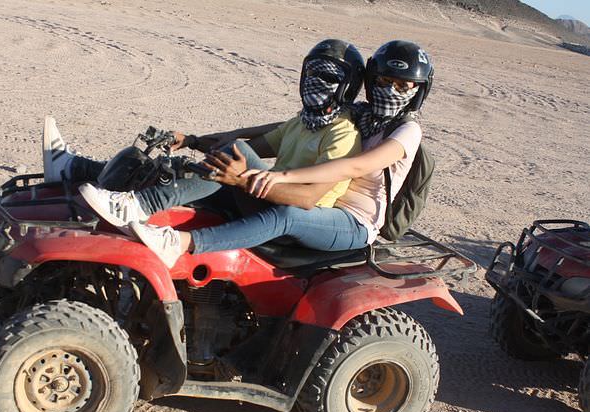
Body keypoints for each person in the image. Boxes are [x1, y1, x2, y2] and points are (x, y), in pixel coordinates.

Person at [115, 40, 434, 268]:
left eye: (404, 86)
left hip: (352, 222)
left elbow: (353, 166)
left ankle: (179, 244)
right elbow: (294, 125)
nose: (391, 90)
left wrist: (278, 176)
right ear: (370, 80)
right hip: (321, 202)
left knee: (287, 216)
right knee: (226, 168)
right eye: (384, 81)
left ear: (418, 90)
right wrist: (212, 139)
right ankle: (137, 204)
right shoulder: (364, 115)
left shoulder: (407, 131)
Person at [42, 39, 365, 245]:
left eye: (329, 78)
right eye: (311, 74)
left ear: (346, 86)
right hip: (266, 195)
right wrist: (192, 140)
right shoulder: (301, 122)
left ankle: (139, 206)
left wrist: (242, 178)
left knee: (231, 155)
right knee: (182, 167)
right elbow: (260, 148)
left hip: (292, 213)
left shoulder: (343, 135)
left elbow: (309, 199)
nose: (315, 84)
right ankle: (75, 168)